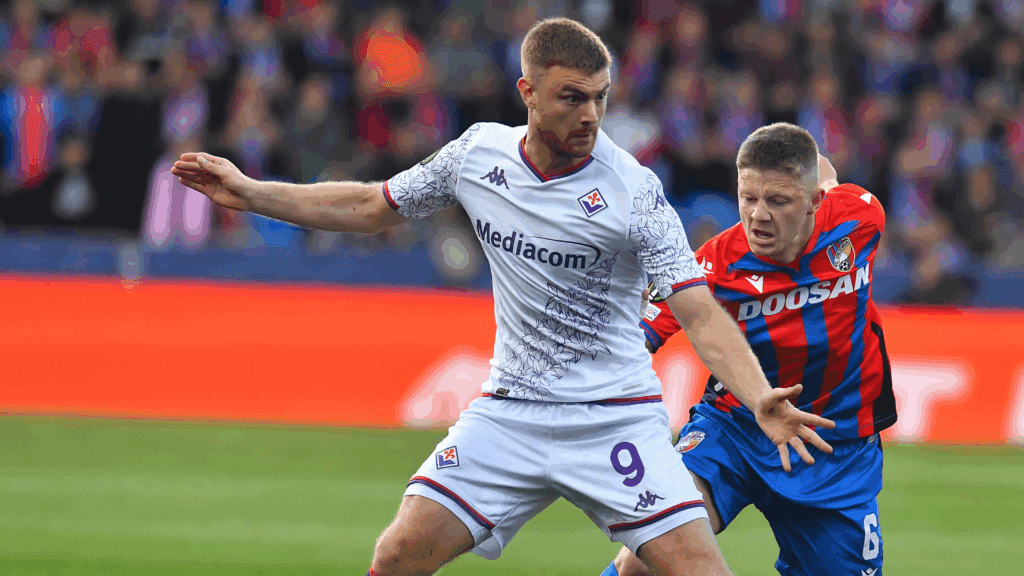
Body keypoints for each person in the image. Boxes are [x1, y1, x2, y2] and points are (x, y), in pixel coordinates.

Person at [171, 19, 833, 576]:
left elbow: (696, 310)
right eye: (573, 98)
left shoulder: (634, 190)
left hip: (613, 417)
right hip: (509, 413)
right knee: (398, 553)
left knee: (698, 571)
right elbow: (373, 204)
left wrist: (756, 396)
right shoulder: (476, 157)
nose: (591, 115)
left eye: (600, 98)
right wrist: (253, 191)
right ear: (529, 91)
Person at [604, 124, 897, 576]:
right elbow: (635, 339)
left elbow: (825, 170)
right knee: (646, 556)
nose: (758, 214)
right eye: (748, 197)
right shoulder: (711, 266)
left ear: (814, 201)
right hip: (733, 429)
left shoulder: (860, 217)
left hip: (835, 447)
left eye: (778, 201)